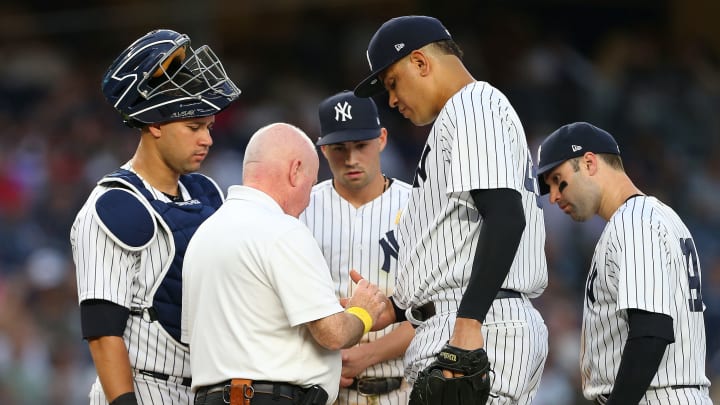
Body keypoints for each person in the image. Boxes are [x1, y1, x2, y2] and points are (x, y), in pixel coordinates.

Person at [353, 15, 549, 404]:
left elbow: (506, 216)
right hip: (468, 319)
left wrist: (469, 322)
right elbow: (456, 245)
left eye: (392, 83)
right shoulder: (461, 116)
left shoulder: (473, 105)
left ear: (421, 63)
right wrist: (392, 309)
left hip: (479, 324)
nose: (391, 100)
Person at [70, 29, 241, 405]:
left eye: (209, 127)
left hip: (207, 389)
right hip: (145, 388)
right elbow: (102, 332)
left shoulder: (206, 192)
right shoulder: (115, 204)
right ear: (155, 124)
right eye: (194, 127)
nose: (207, 140)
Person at [182, 122, 390, 405]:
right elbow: (334, 334)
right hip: (269, 398)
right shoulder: (283, 230)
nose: (308, 199)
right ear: (295, 171)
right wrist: (362, 311)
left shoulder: (204, 235)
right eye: (312, 182)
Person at [536, 122, 713, 404]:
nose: (554, 196)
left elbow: (651, 331)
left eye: (557, 179)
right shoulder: (659, 217)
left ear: (590, 162)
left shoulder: (634, 223)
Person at [299, 90, 414, 404]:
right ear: (322, 149)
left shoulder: (418, 207)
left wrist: (367, 354)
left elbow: (438, 309)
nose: (351, 159)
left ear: (382, 139)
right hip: (324, 391)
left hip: (402, 389)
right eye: (339, 148)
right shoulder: (301, 210)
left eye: (361, 145)